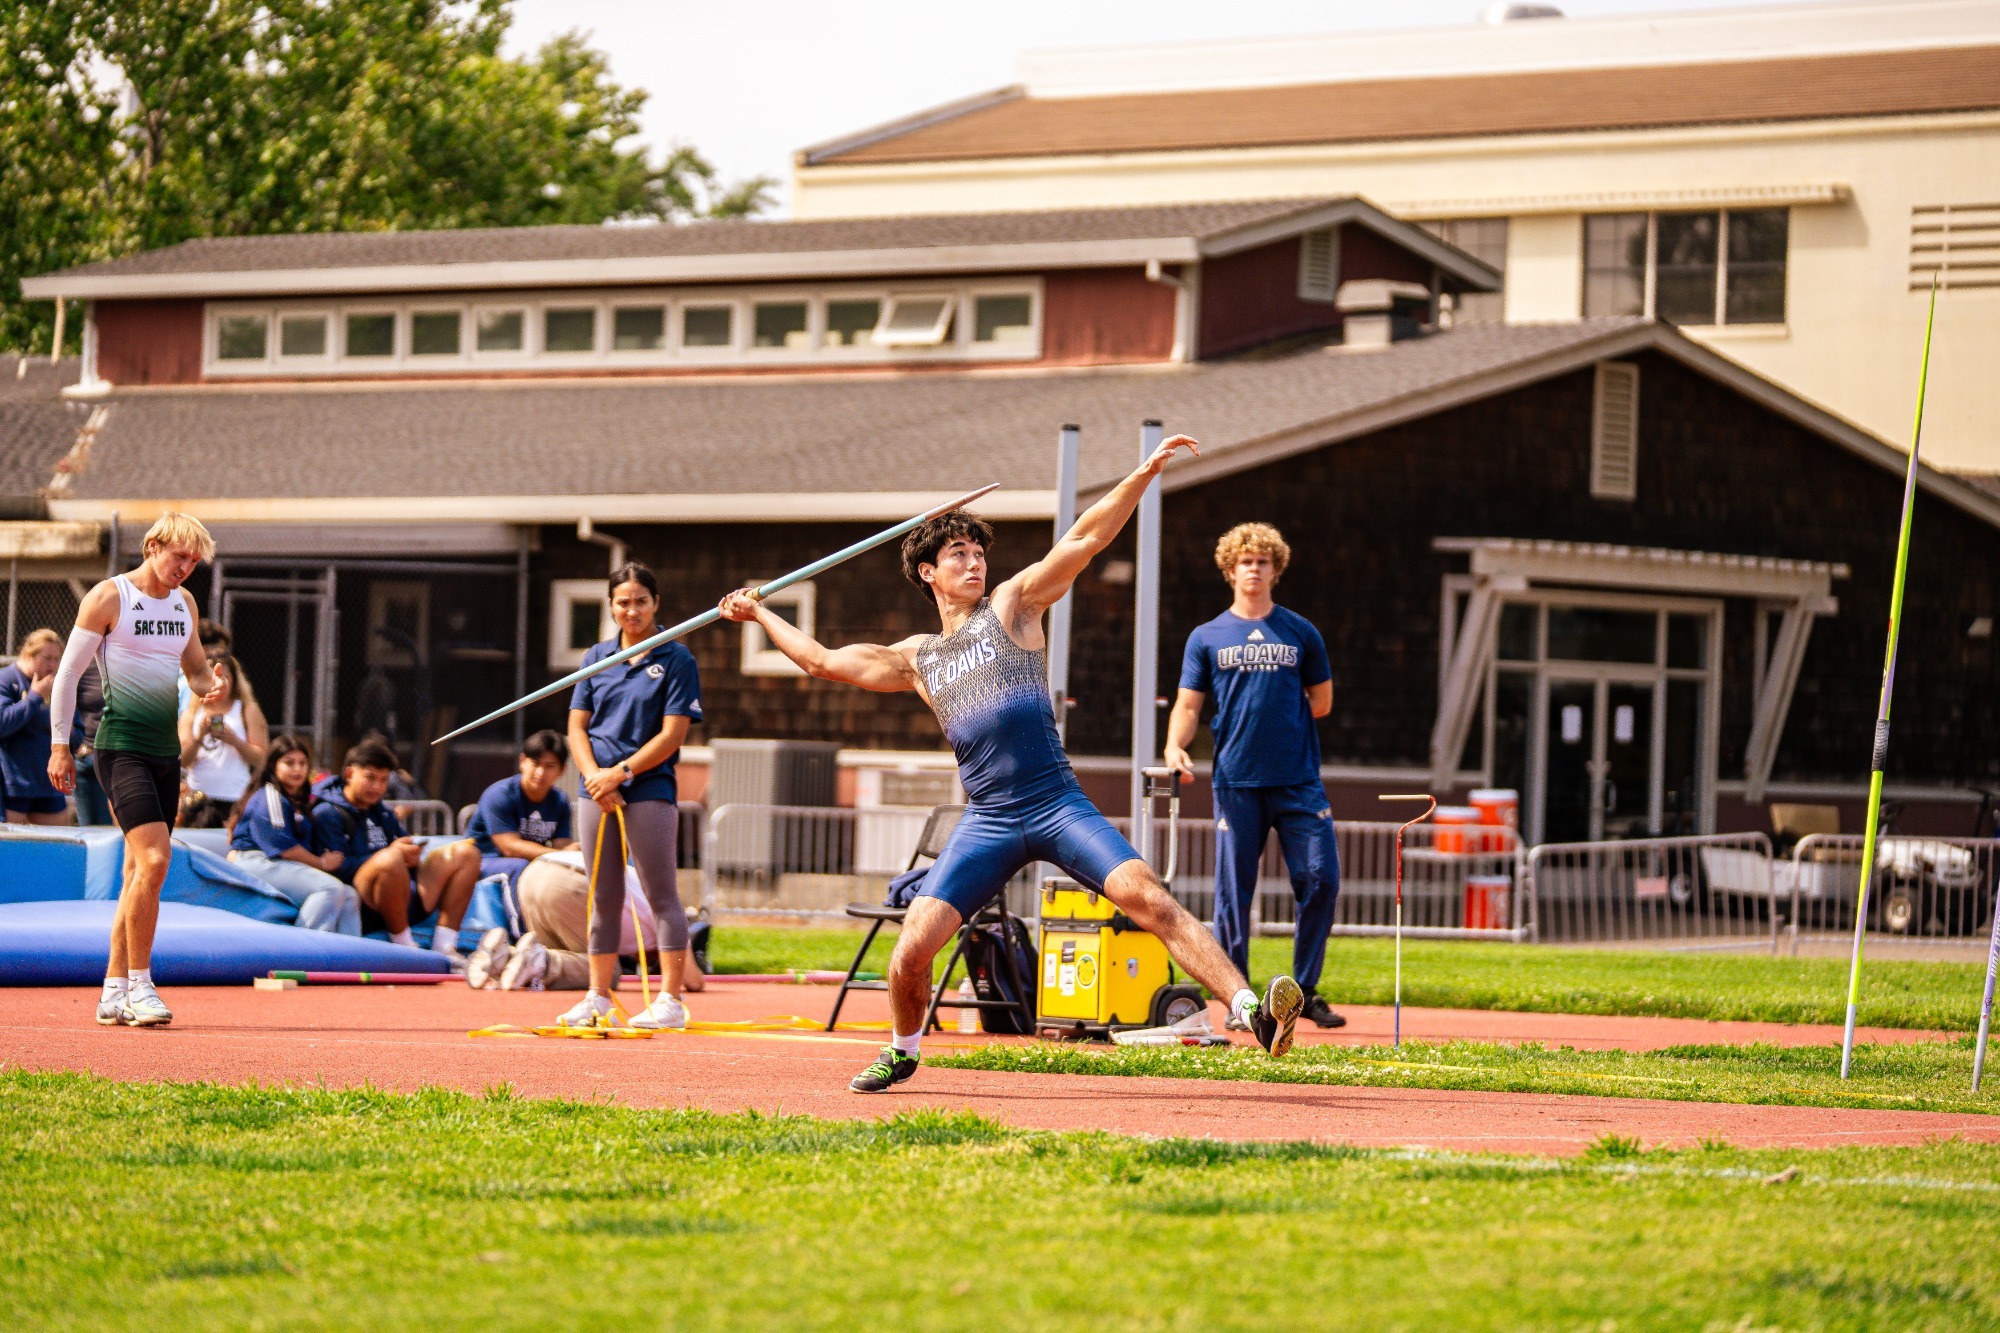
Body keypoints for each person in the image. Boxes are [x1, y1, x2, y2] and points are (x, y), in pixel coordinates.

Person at [720, 434, 1305, 1094]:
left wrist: (1142, 474)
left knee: (1150, 898)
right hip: (991, 817)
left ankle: (1251, 1012)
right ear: (926, 573)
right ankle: (903, 1049)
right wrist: (760, 612)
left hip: (1056, 801)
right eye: (957, 554)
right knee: (913, 947)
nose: (974, 562)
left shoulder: (1013, 604)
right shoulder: (917, 657)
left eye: (977, 552)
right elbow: (822, 660)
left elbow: (1084, 540)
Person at [1165, 522, 1345, 1031]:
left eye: (1263, 561)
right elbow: (1188, 704)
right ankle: (1241, 999)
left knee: (1321, 879)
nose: (1254, 568)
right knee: (1233, 894)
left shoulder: (1300, 631)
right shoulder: (1206, 636)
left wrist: (1279, 727)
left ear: (1275, 569)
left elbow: (1322, 702)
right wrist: (1175, 745)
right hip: (1236, 783)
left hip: (1297, 781)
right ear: (1230, 569)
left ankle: (1304, 990)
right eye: (1245, 561)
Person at [48, 512, 225, 1028]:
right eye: (180, 555)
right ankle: (143, 987)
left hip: (163, 751)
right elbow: (67, 677)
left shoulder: (184, 603)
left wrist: (205, 684)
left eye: (194, 561)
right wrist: (61, 747)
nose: (186, 568)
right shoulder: (109, 597)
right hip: (119, 746)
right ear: (153, 546)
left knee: (135, 874)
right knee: (154, 862)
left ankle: (112, 990)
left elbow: (192, 668)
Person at [553, 561, 702, 1030]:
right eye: (623, 602)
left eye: (641, 601)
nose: (632, 610)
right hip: (594, 789)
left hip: (647, 787)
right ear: (611, 606)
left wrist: (619, 773)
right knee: (603, 895)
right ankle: (598, 995)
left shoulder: (677, 659)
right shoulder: (596, 656)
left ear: (656, 604)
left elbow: (673, 733)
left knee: (661, 893)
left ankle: (670, 1002)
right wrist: (595, 776)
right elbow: (577, 726)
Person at [310, 738, 481, 967]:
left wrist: (411, 854)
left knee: (466, 853)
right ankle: (405, 946)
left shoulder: (384, 812)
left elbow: (400, 846)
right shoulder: (327, 813)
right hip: (365, 903)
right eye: (370, 778)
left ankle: (446, 946)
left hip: (404, 893)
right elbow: (336, 867)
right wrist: (391, 855)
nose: (377, 787)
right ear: (350, 774)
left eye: (383, 780)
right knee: (389, 859)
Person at [460, 729, 576, 986]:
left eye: (549, 766)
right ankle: (522, 940)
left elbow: (562, 844)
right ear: (523, 761)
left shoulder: (559, 801)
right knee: (520, 867)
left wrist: (577, 852)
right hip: (484, 861)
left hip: (531, 861)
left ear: (562, 770)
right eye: (535, 764)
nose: (540, 773)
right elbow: (508, 846)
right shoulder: (500, 794)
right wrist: (557, 855)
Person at [226, 734, 360, 934]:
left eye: (303, 763)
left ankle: (351, 961)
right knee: (329, 889)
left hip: (280, 864)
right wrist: (322, 863)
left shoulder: (295, 799)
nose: (298, 769)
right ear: (273, 766)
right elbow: (285, 849)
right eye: (289, 763)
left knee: (349, 895)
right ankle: (302, 957)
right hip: (257, 861)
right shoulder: (270, 795)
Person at [177, 653, 267, 827]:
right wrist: (199, 738)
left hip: (234, 795)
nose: (218, 683)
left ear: (234, 679)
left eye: (224, 676)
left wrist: (234, 741)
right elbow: (181, 759)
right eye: (212, 677)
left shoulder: (247, 710)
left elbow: (262, 758)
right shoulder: (191, 714)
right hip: (198, 798)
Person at [1, 628, 81, 824]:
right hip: (14, 784)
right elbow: (2, 723)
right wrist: (35, 696)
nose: (52, 665)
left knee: (59, 845)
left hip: (49, 783)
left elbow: (78, 737)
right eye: (47, 658)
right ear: (29, 654)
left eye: (56, 659)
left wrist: (69, 732)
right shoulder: (7, 679)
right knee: (12, 848)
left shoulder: (59, 685)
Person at [71, 661, 112, 826]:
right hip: (88, 756)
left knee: (119, 827)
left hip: (123, 757)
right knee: (90, 831)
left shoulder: (134, 661)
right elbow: (63, 705)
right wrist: (74, 744)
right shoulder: (82, 663)